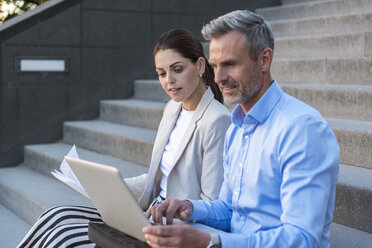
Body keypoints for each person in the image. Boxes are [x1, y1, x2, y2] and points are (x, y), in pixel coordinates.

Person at [143, 10, 340, 248]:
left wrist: (211, 241)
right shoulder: (236, 128)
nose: (218, 78)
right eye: (215, 66)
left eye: (230, 64)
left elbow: (303, 238)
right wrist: (190, 206)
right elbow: (229, 210)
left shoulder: (302, 128)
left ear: (264, 60)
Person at [18, 29, 231, 248]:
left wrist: (168, 212)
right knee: (55, 216)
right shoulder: (172, 108)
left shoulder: (217, 121)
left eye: (177, 69)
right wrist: (109, 187)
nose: (169, 81)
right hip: (147, 212)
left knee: (63, 237)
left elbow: (212, 205)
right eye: (161, 73)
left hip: (173, 226)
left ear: (200, 66)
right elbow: (158, 178)